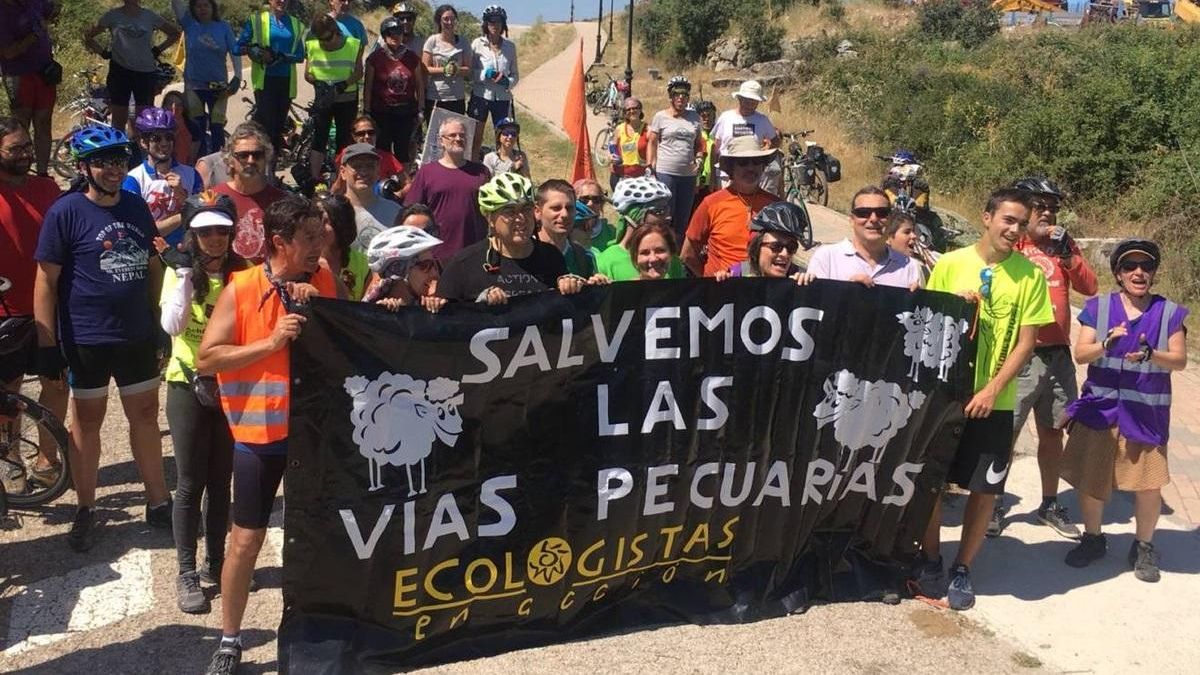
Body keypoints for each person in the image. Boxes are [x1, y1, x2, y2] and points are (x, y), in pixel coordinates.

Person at [196, 195, 338, 675]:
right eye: (311, 238)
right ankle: (230, 639)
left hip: (312, 434)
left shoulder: (321, 280)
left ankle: (321, 628)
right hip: (259, 437)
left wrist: (322, 315)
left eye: (322, 236)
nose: (320, 247)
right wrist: (270, 343)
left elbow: (347, 346)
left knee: (321, 534)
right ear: (279, 241)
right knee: (245, 542)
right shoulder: (241, 287)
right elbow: (207, 358)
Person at [34, 125, 172, 552]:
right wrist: (46, 345)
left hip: (134, 333)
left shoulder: (134, 206)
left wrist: (159, 322)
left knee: (145, 416)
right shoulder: (66, 211)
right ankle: (87, 508)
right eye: (102, 161)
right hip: (87, 337)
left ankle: (158, 500)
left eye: (118, 159)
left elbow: (152, 266)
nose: (113, 169)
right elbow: (45, 281)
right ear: (83, 167)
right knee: (87, 423)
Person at [916, 187, 1052, 611]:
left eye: (1022, 223)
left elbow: (1027, 342)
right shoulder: (950, 264)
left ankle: (963, 568)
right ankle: (931, 558)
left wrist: (993, 389)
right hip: (947, 394)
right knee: (931, 480)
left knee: (984, 488)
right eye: (1008, 220)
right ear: (987, 216)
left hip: (997, 400)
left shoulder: (1030, 276)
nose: (1015, 230)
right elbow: (928, 323)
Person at [1059, 239, 1189, 583]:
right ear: (1118, 273)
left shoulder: (1169, 312)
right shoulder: (1099, 308)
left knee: (1148, 486)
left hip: (1145, 415)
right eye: (1130, 266)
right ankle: (1093, 538)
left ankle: (1144, 546)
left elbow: (1180, 360)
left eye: (1145, 267)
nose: (1138, 272)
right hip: (1100, 411)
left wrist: (1152, 355)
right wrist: (1106, 345)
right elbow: (1081, 354)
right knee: (1091, 479)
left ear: (1153, 273)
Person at [156, 191, 246, 614]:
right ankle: (186, 571)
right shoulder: (179, 272)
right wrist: (187, 277)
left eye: (222, 231)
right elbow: (172, 324)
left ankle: (216, 561)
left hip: (229, 385)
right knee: (190, 481)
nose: (214, 238)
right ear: (192, 233)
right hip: (186, 382)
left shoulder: (242, 274)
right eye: (205, 231)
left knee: (221, 480)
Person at [1004, 176, 1099, 540]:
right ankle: (992, 502)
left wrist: (1068, 255)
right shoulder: (1014, 242)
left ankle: (1049, 502)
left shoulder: (1062, 244)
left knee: (1053, 432)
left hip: (1057, 354)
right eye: (1039, 206)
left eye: (1052, 207)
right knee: (1006, 433)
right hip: (1018, 354)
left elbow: (1090, 287)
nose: (1047, 213)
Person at [0, 117, 67, 489]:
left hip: (49, 305)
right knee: (8, 391)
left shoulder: (47, 187)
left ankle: (47, 458)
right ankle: (10, 460)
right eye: (16, 149)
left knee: (55, 384)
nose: (25, 154)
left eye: (28, 146)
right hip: (5, 309)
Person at [438, 172, 594, 304]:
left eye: (526, 209)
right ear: (490, 218)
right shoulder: (463, 265)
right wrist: (479, 307)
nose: (520, 218)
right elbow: (441, 328)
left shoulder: (551, 257)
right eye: (509, 211)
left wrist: (581, 287)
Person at [681, 135, 779, 277]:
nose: (751, 167)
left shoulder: (775, 205)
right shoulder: (711, 203)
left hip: (762, 291)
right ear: (731, 168)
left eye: (756, 161)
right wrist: (708, 280)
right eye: (743, 163)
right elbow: (687, 255)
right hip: (721, 290)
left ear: (763, 166)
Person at [84, 0, 181, 140]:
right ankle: (118, 153)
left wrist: (158, 50)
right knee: (119, 118)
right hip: (120, 71)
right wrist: (103, 52)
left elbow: (174, 34)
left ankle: (139, 154)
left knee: (142, 118)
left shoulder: (149, 16)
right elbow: (89, 36)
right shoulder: (112, 15)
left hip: (145, 72)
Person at [403, 117, 490, 260]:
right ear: (441, 140)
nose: (458, 138)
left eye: (462, 135)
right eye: (452, 135)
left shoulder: (481, 172)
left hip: (474, 253)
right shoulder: (427, 172)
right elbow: (411, 211)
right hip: (437, 254)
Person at [807, 186, 923, 289]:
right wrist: (844, 290)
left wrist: (915, 301)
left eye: (881, 213)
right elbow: (814, 309)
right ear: (851, 220)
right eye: (864, 213)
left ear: (890, 220)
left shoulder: (910, 267)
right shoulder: (826, 258)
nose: (873, 219)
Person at [236, 0, 306, 164]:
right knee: (265, 128)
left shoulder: (296, 24)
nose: (281, 1)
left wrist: (283, 56)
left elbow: (301, 55)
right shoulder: (257, 20)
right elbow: (237, 48)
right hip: (265, 81)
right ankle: (260, 166)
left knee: (277, 129)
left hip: (286, 81)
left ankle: (271, 173)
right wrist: (254, 50)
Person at [123, 107, 204, 248]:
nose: (164, 143)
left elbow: (202, 217)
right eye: (156, 138)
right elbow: (140, 231)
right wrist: (183, 214)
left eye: (169, 137)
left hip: (187, 252)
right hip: (152, 255)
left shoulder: (192, 174)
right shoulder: (132, 180)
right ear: (143, 142)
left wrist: (182, 196)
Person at [170, 0, 241, 158]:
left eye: (206, 5)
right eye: (198, 6)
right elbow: (176, 4)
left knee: (217, 127)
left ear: (213, 7)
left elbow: (234, 52)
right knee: (197, 128)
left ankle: (219, 167)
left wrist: (238, 76)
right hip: (194, 86)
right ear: (193, 8)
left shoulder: (224, 27)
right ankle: (197, 167)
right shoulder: (189, 23)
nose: (202, 9)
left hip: (219, 87)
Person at [0, 0, 60, 176]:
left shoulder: (33, 2)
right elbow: (9, 52)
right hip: (18, 74)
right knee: (20, 126)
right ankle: (18, 174)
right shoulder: (3, 13)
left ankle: (42, 174)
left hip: (45, 71)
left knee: (44, 123)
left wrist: (52, 14)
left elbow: (53, 8)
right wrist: (36, 32)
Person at [213, 122, 288, 261]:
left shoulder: (283, 202)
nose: (251, 160)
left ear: (266, 159)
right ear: (230, 160)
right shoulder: (213, 198)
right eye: (243, 155)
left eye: (257, 155)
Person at [303, 13, 364, 182]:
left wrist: (343, 84)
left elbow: (359, 72)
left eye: (328, 38)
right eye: (321, 39)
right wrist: (317, 83)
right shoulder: (312, 45)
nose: (324, 43)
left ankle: (341, 179)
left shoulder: (353, 45)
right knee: (319, 138)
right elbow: (308, 74)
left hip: (347, 99)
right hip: (323, 100)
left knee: (343, 140)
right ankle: (314, 180)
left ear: (335, 31)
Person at [596, 175, 686, 281]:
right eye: (659, 211)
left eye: (667, 209)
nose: (668, 217)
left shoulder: (671, 259)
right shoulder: (606, 261)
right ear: (635, 215)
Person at [647, 76, 705, 240]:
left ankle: (677, 255)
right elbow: (652, 141)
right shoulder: (660, 116)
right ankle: (662, 247)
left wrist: (699, 159)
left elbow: (699, 143)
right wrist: (651, 165)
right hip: (666, 171)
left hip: (688, 175)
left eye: (685, 95)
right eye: (677, 94)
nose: (681, 98)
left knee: (683, 217)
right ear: (671, 96)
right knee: (665, 215)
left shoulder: (694, 117)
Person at [364, 17, 425, 163]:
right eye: (391, 33)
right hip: (381, 111)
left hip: (406, 112)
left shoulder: (412, 58)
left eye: (399, 32)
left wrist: (421, 109)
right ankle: (383, 182)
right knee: (382, 150)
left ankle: (403, 183)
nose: (395, 36)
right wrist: (366, 111)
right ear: (384, 36)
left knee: (403, 150)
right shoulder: (375, 58)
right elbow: (368, 86)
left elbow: (419, 85)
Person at [711, 80, 781, 195]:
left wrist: (765, 153)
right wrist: (713, 176)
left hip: (751, 174)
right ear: (740, 99)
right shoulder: (726, 117)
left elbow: (775, 141)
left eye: (754, 101)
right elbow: (716, 147)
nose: (750, 105)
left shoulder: (762, 120)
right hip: (726, 174)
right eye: (747, 100)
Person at [714, 201, 811, 282]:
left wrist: (809, 287)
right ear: (757, 248)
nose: (785, 254)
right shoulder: (738, 273)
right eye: (776, 246)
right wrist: (721, 283)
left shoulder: (799, 276)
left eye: (791, 247)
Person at [468, 4, 518, 156]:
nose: (494, 25)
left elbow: (515, 75)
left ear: (503, 24)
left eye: (498, 21)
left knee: (502, 138)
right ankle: (473, 168)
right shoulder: (477, 44)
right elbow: (469, 73)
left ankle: (499, 170)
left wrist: (507, 81)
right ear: (485, 23)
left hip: (502, 98)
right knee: (475, 137)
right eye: (491, 21)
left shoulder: (510, 47)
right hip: (480, 96)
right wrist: (484, 74)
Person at [362, 225, 446, 313]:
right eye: (425, 266)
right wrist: (383, 315)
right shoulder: (371, 310)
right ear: (398, 270)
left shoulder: (428, 304)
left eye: (435, 265)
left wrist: (438, 312)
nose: (434, 273)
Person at [338, 144, 402, 252]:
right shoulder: (333, 212)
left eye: (370, 166)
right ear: (343, 172)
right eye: (357, 166)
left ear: (378, 172)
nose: (363, 172)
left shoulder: (396, 212)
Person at [535, 179, 597, 277]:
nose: (564, 214)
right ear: (538, 211)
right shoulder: (523, 253)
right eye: (556, 208)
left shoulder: (583, 258)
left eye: (569, 208)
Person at [315, 192, 370, 301]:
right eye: (316, 220)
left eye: (326, 221)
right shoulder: (305, 261)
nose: (319, 226)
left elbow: (368, 306)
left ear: (341, 225)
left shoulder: (364, 264)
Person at [330, 115, 405, 194]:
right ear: (353, 136)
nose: (367, 136)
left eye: (371, 132)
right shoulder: (346, 154)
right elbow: (339, 187)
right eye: (361, 133)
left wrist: (397, 195)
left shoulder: (387, 157)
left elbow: (408, 184)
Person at [422, 4, 471, 118]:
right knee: (435, 133)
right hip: (435, 96)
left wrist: (456, 70)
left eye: (452, 19)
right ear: (439, 21)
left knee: (455, 132)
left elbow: (468, 69)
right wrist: (444, 70)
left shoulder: (463, 42)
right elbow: (424, 68)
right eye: (446, 19)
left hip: (456, 97)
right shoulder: (432, 41)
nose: (449, 22)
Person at [609, 96, 649, 191]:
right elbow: (612, 147)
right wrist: (611, 156)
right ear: (625, 113)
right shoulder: (619, 129)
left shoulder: (648, 130)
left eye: (635, 108)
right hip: (620, 176)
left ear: (640, 110)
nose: (632, 111)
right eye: (628, 109)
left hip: (641, 178)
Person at [884, 208, 936, 281]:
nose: (914, 236)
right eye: (907, 232)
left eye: (913, 231)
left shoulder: (917, 268)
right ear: (888, 237)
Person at [574, 178, 616, 252]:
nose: (590, 204)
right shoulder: (566, 232)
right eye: (584, 199)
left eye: (596, 199)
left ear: (601, 203)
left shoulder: (612, 232)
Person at [694, 99, 717, 206]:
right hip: (698, 184)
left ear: (714, 116)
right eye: (703, 116)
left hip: (716, 183)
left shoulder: (719, 136)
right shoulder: (695, 136)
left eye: (709, 115)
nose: (706, 119)